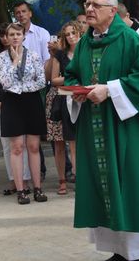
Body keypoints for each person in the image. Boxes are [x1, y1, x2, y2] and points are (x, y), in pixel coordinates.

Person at [64, 0, 139, 261]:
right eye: (87, 4)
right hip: (95, 125)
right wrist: (77, 92)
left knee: (131, 185)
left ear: (112, 11)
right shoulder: (86, 43)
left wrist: (110, 90)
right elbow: (71, 74)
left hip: (126, 129)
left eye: (95, 5)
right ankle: (119, 250)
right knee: (104, 188)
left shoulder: (130, 40)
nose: (89, 9)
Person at [0, 23, 48, 205]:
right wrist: (15, 62)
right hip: (12, 103)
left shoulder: (34, 56)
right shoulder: (2, 58)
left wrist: (20, 87)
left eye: (18, 34)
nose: (15, 37)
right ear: (7, 37)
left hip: (31, 101)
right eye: (11, 34)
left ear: (23, 36)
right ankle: (21, 190)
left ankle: (37, 188)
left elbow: (42, 81)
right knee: (17, 147)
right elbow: (5, 82)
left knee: (33, 146)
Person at [0, 23, 31, 195]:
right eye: (2, 35)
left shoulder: (25, 55)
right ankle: (14, 180)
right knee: (7, 145)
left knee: (24, 143)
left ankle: (25, 180)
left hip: (21, 104)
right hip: (0, 106)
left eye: (9, 34)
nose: (6, 38)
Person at [46, 21, 82, 195]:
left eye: (73, 32)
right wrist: (74, 79)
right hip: (67, 101)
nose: (71, 36)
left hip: (87, 100)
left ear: (80, 32)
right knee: (72, 143)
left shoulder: (86, 51)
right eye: (67, 34)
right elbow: (54, 80)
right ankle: (77, 180)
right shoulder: (61, 55)